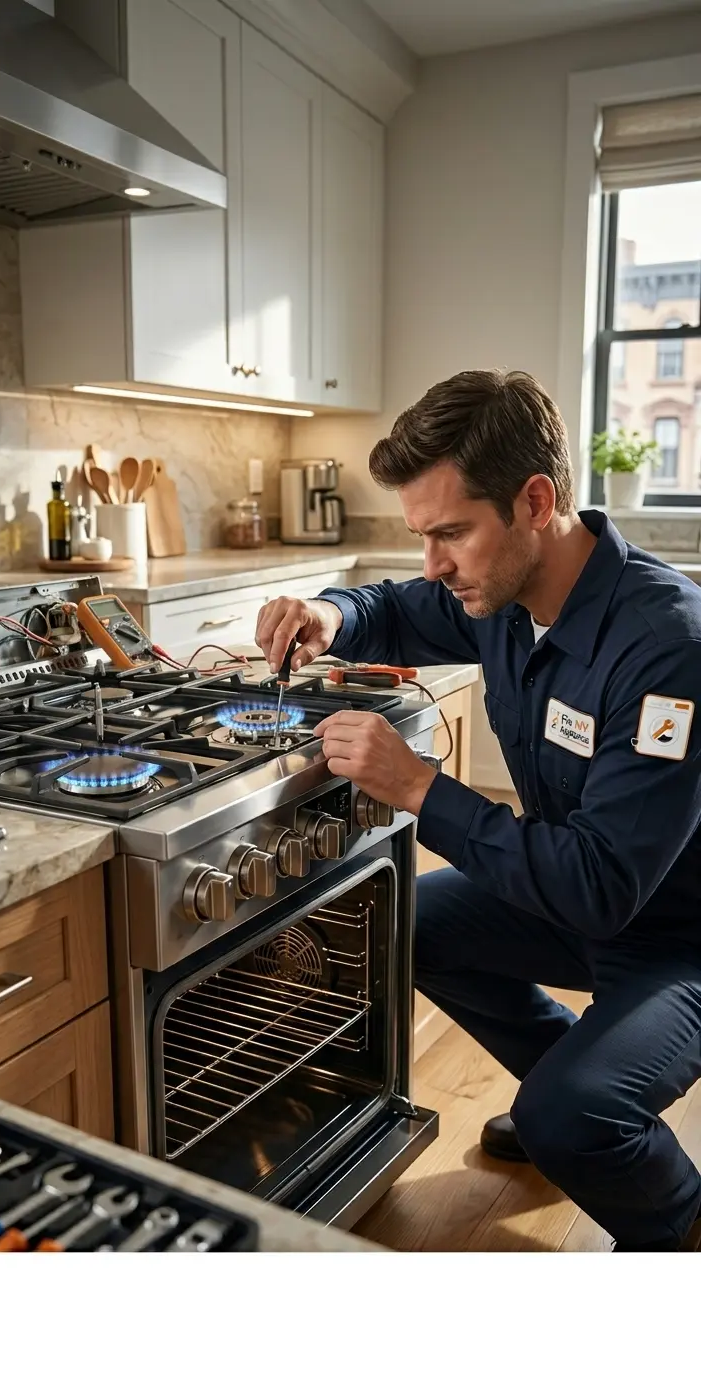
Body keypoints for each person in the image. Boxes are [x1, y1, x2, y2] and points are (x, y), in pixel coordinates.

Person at [255, 368, 701, 1252]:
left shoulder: (669, 648)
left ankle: (675, 1218)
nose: (436, 563)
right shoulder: (501, 597)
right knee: (400, 921)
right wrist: (328, 614)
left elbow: (602, 889)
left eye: (451, 533)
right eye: (424, 535)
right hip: (581, 889)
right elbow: (386, 602)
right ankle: (562, 1085)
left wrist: (421, 787)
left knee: (577, 1116)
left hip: (675, 932)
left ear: (535, 500)